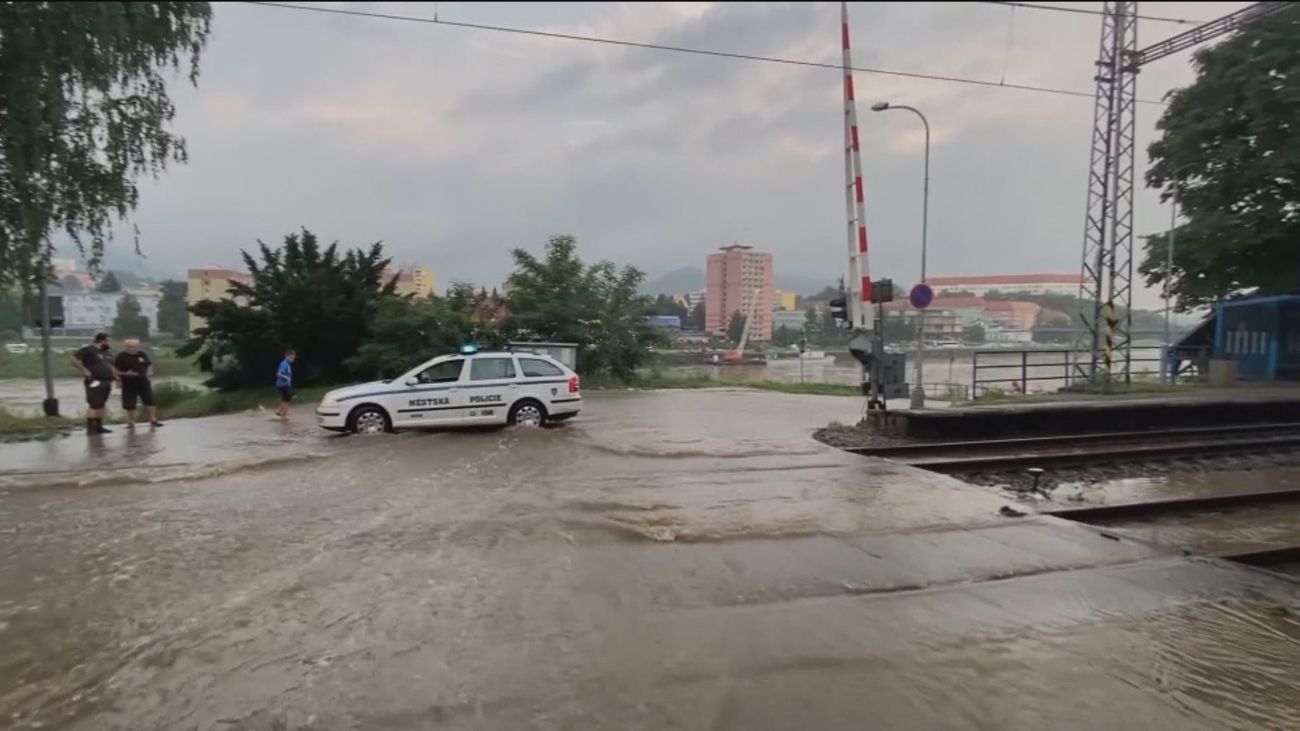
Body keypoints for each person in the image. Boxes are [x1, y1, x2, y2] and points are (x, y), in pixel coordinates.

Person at [71, 332, 118, 435]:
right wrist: (84, 370)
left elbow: (112, 366)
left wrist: (116, 377)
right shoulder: (89, 349)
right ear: (101, 340)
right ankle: (90, 428)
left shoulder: (107, 353)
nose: (110, 343)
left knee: (101, 404)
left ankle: (99, 426)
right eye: (108, 341)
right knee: (94, 404)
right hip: (94, 380)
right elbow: (74, 359)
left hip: (107, 381)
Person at [114, 338, 163, 429]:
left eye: (135, 346)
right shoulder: (121, 356)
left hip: (143, 381)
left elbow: (149, 365)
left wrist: (149, 373)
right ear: (126, 347)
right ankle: (131, 422)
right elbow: (115, 370)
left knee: (150, 400)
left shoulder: (142, 354)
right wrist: (122, 376)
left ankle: (153, 419)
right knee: (130, 403)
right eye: (130, 347)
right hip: (128, 383)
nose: (133, 349)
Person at [275, 348, 296, 420]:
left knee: (287, 399)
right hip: (282, 385)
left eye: (293, 358)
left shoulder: (287, 364)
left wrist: (289, 381)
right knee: (286, 399)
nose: (292, 359)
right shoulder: (284, 364)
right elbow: (279, 374)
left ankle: (282, 413)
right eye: (291, 358)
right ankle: (282, 414)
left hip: (285, 385)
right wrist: (287, 379)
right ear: (286, 357)